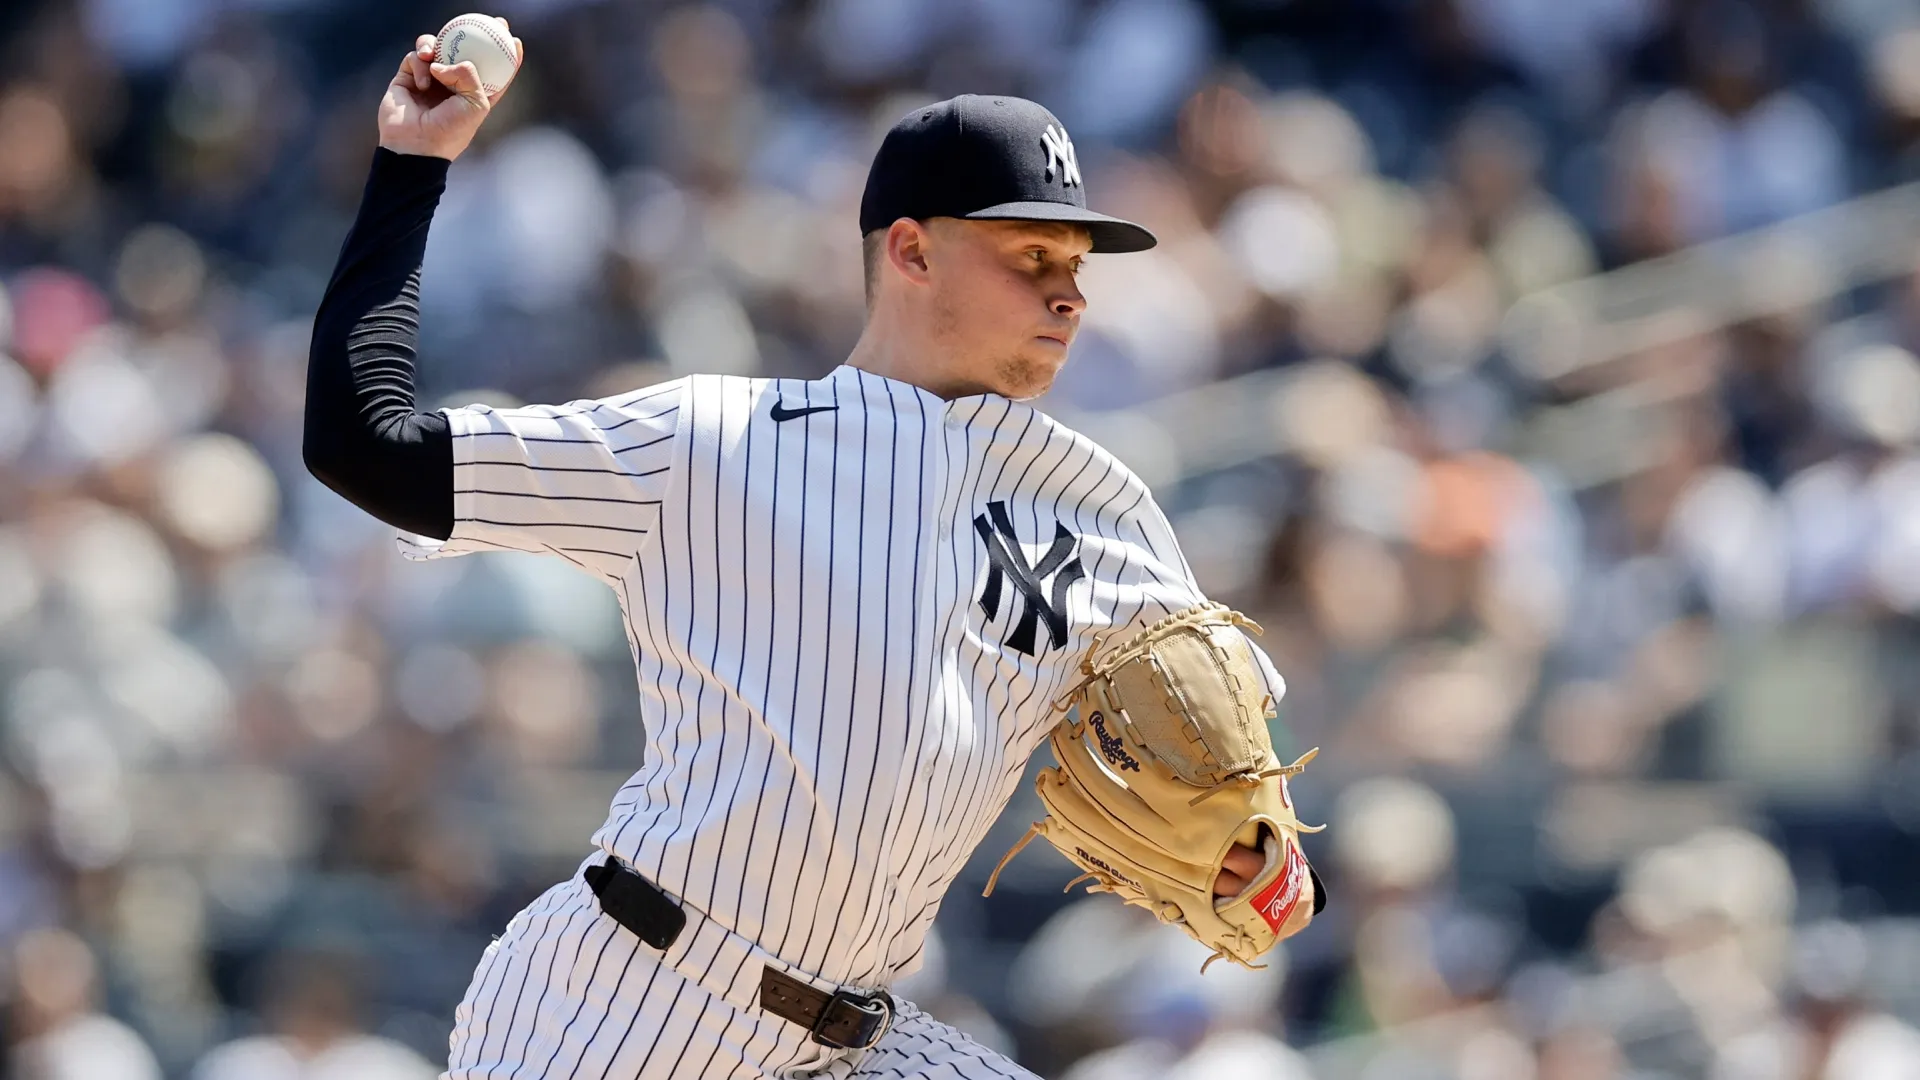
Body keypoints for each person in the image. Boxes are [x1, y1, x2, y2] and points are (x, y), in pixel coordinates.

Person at [303, 29, 1295, 1080]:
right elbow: (364, 443)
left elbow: (1235, 772)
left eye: (1076, 267)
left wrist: (1263, 862)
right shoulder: (713, 441)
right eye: (1032, 258)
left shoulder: (1104, 504)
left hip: (850, 1039)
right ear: (910, 252)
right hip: (626, 1006)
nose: (1070, 296)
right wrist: (413, 167)